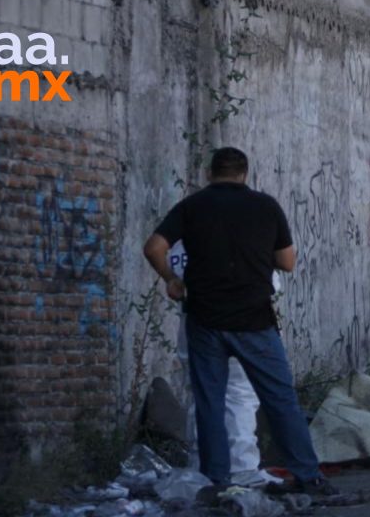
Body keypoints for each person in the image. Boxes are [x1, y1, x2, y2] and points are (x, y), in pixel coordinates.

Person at [143, 147, 335, 495]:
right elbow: (288, 263)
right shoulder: (266, 206)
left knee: (210, 403)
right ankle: (307, 476)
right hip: (254, 320)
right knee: (280, 399)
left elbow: (154, 247)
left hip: (204, 320)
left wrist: (172, 279)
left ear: (210, 173)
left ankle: (217, 481)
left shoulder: (192, 206)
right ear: (245, 174)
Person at [167, 240, 283, 488]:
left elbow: (174, 276)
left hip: (195, 323)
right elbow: (272, 284)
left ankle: (203, 466)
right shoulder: (247, 236)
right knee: (241, 394)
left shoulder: (183, 243)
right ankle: (242, 467)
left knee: (202, 396)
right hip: (246, 323)